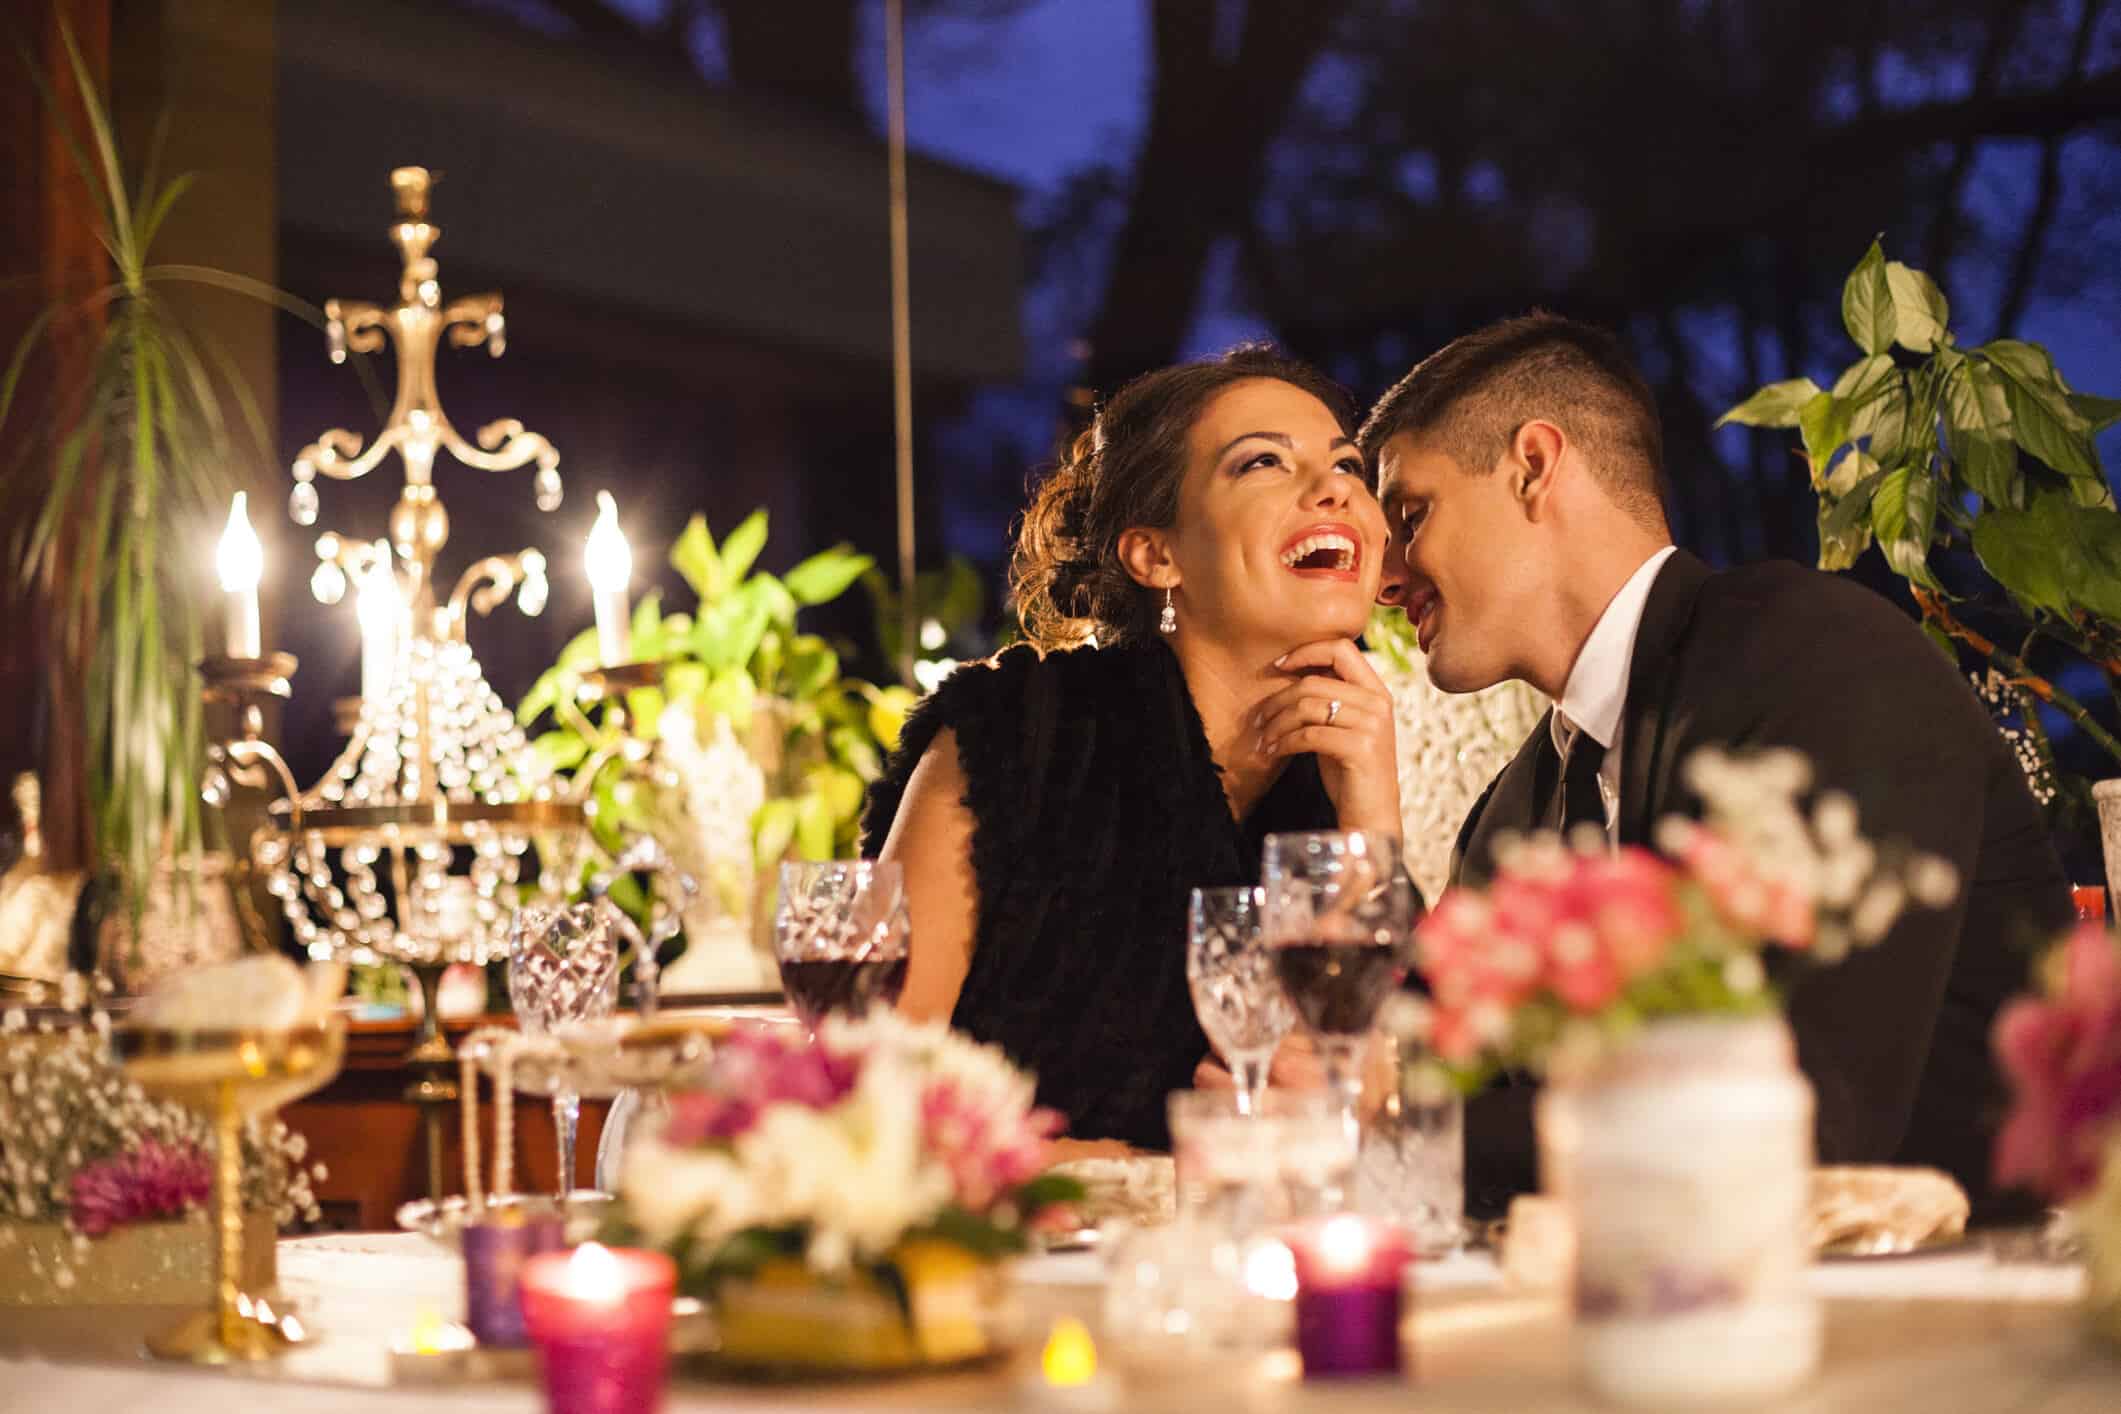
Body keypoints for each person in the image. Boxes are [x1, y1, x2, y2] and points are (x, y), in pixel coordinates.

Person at [1362, 312, 2072, 1219]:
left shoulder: (1816, 655)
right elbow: (1429, 1075)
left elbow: (1804, 1119)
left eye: (1410, 516)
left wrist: (1379, 1125)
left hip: (1974, 1311)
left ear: (1533, 466)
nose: (1386, 579)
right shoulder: (1513, 810)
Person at [862, 346, 1401, 1151]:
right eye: (1262, 463)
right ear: (1156, 555)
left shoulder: (1343, 768)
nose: (1335, 490)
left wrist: (1372, 818)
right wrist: (1136, 1179)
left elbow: (1376, 1101)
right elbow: (866, 1094)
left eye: (1348, 466)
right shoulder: (1019, 733)